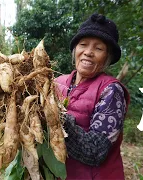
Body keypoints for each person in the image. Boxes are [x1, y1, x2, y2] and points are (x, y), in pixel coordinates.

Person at [55, 13, 130, 179]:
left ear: (107, 58)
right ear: (75, 50)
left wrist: (55, 116)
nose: (88, 52)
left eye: (98, 48)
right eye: (83, 44)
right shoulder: (57, 82)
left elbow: (95, 151)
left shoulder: (111, 91)